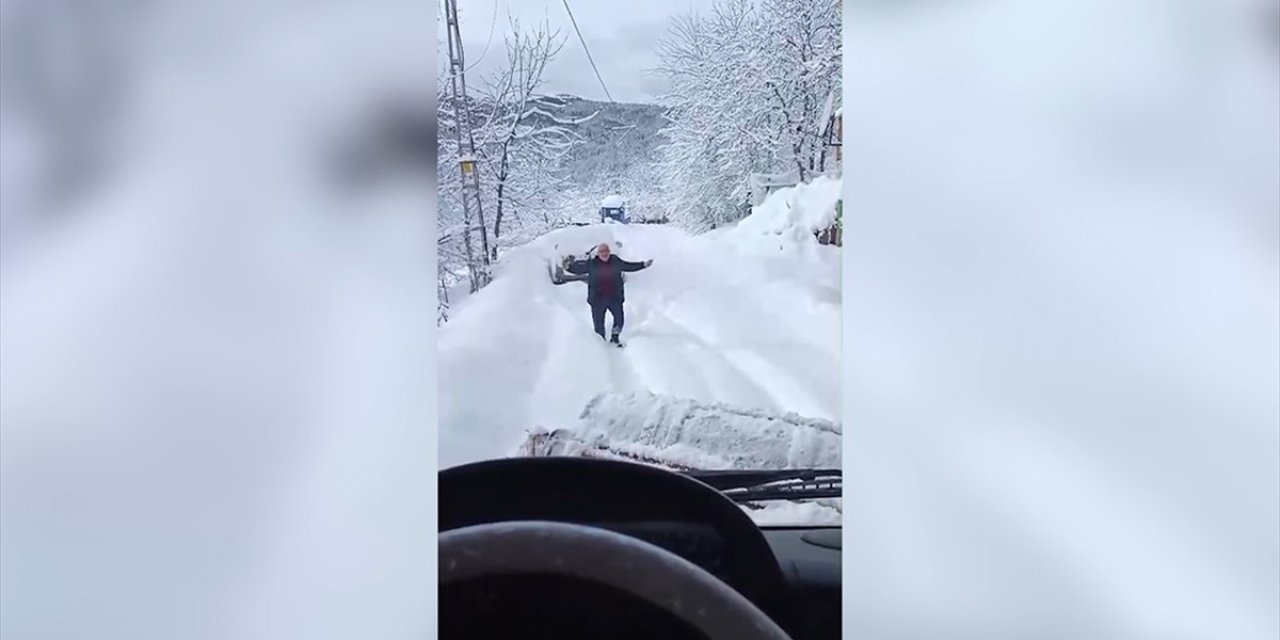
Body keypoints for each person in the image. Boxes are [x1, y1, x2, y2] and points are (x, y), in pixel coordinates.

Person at [563, 243, 652, 345]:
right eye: (602, 252)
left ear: (609, 252)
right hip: (597, 299)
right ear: (598, 253)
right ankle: (601, 346)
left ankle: (615, 338)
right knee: (599, 325)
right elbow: (579, 269)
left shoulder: (615, 261)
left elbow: (628, 266)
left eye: (606, 251)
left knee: (619, 319)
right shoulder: (592, 263)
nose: (604, 253)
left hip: (614, 297)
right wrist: (568, 267)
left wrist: (643, 265)